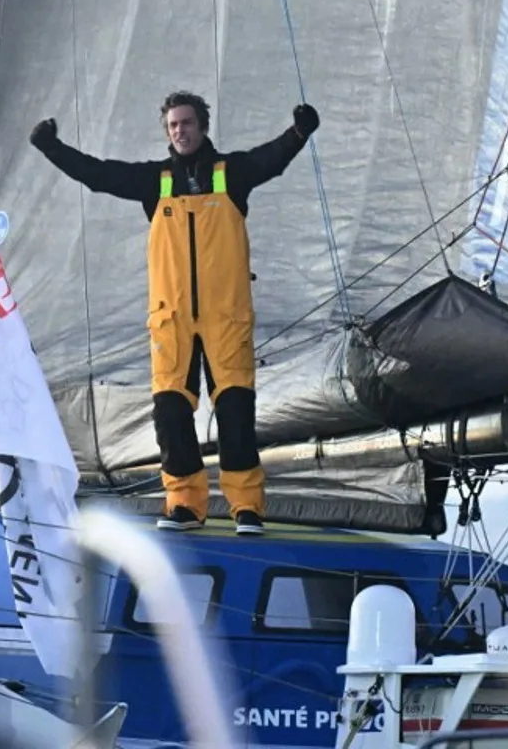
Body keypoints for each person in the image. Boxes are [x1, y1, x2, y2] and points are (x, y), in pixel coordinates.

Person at [30, 90, 319, 536]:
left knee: (235, 412)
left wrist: (299, 132)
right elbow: (100, 175)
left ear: (202, 126)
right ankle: (184, 503)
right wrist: (52, 148)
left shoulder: (230, 173)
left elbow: (271, 159)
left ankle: (246, 507)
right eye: (172, 125)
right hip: (172, 319)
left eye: (186, 123)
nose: (179, 131)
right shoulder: (156, 180)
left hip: (226, 316)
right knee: (170, 414)